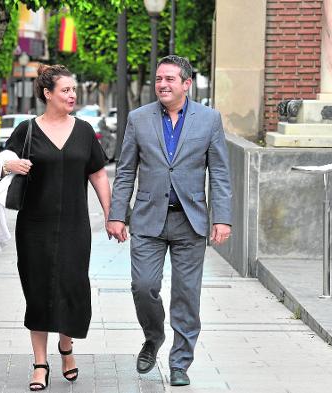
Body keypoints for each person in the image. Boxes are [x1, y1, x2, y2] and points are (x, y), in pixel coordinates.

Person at [106, 55, 233, 387]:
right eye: (159, 79)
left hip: (190, 221)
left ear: (186, 83)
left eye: (169, 79)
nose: (162, 84)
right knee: (144, 286)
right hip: (148, 220)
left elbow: (219, 173)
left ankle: (180, 362)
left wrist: (222, 218)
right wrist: (117, 214)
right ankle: (154, 337)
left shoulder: (209, 120)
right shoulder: (138, 119)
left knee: (186, 295)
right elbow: (125, 170)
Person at [2, 64, 111, 391]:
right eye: (65, 90)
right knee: (37, 291)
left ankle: (66, 347)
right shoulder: (27, 130)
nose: (72, 95)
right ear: (47, 94)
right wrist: (10, 164)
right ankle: (40, 363)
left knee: (70, 288)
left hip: (75, 227)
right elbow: (2, 162)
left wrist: (111, 214)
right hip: (34, 226)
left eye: (73, 90)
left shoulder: (84, 131)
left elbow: (98, 174)